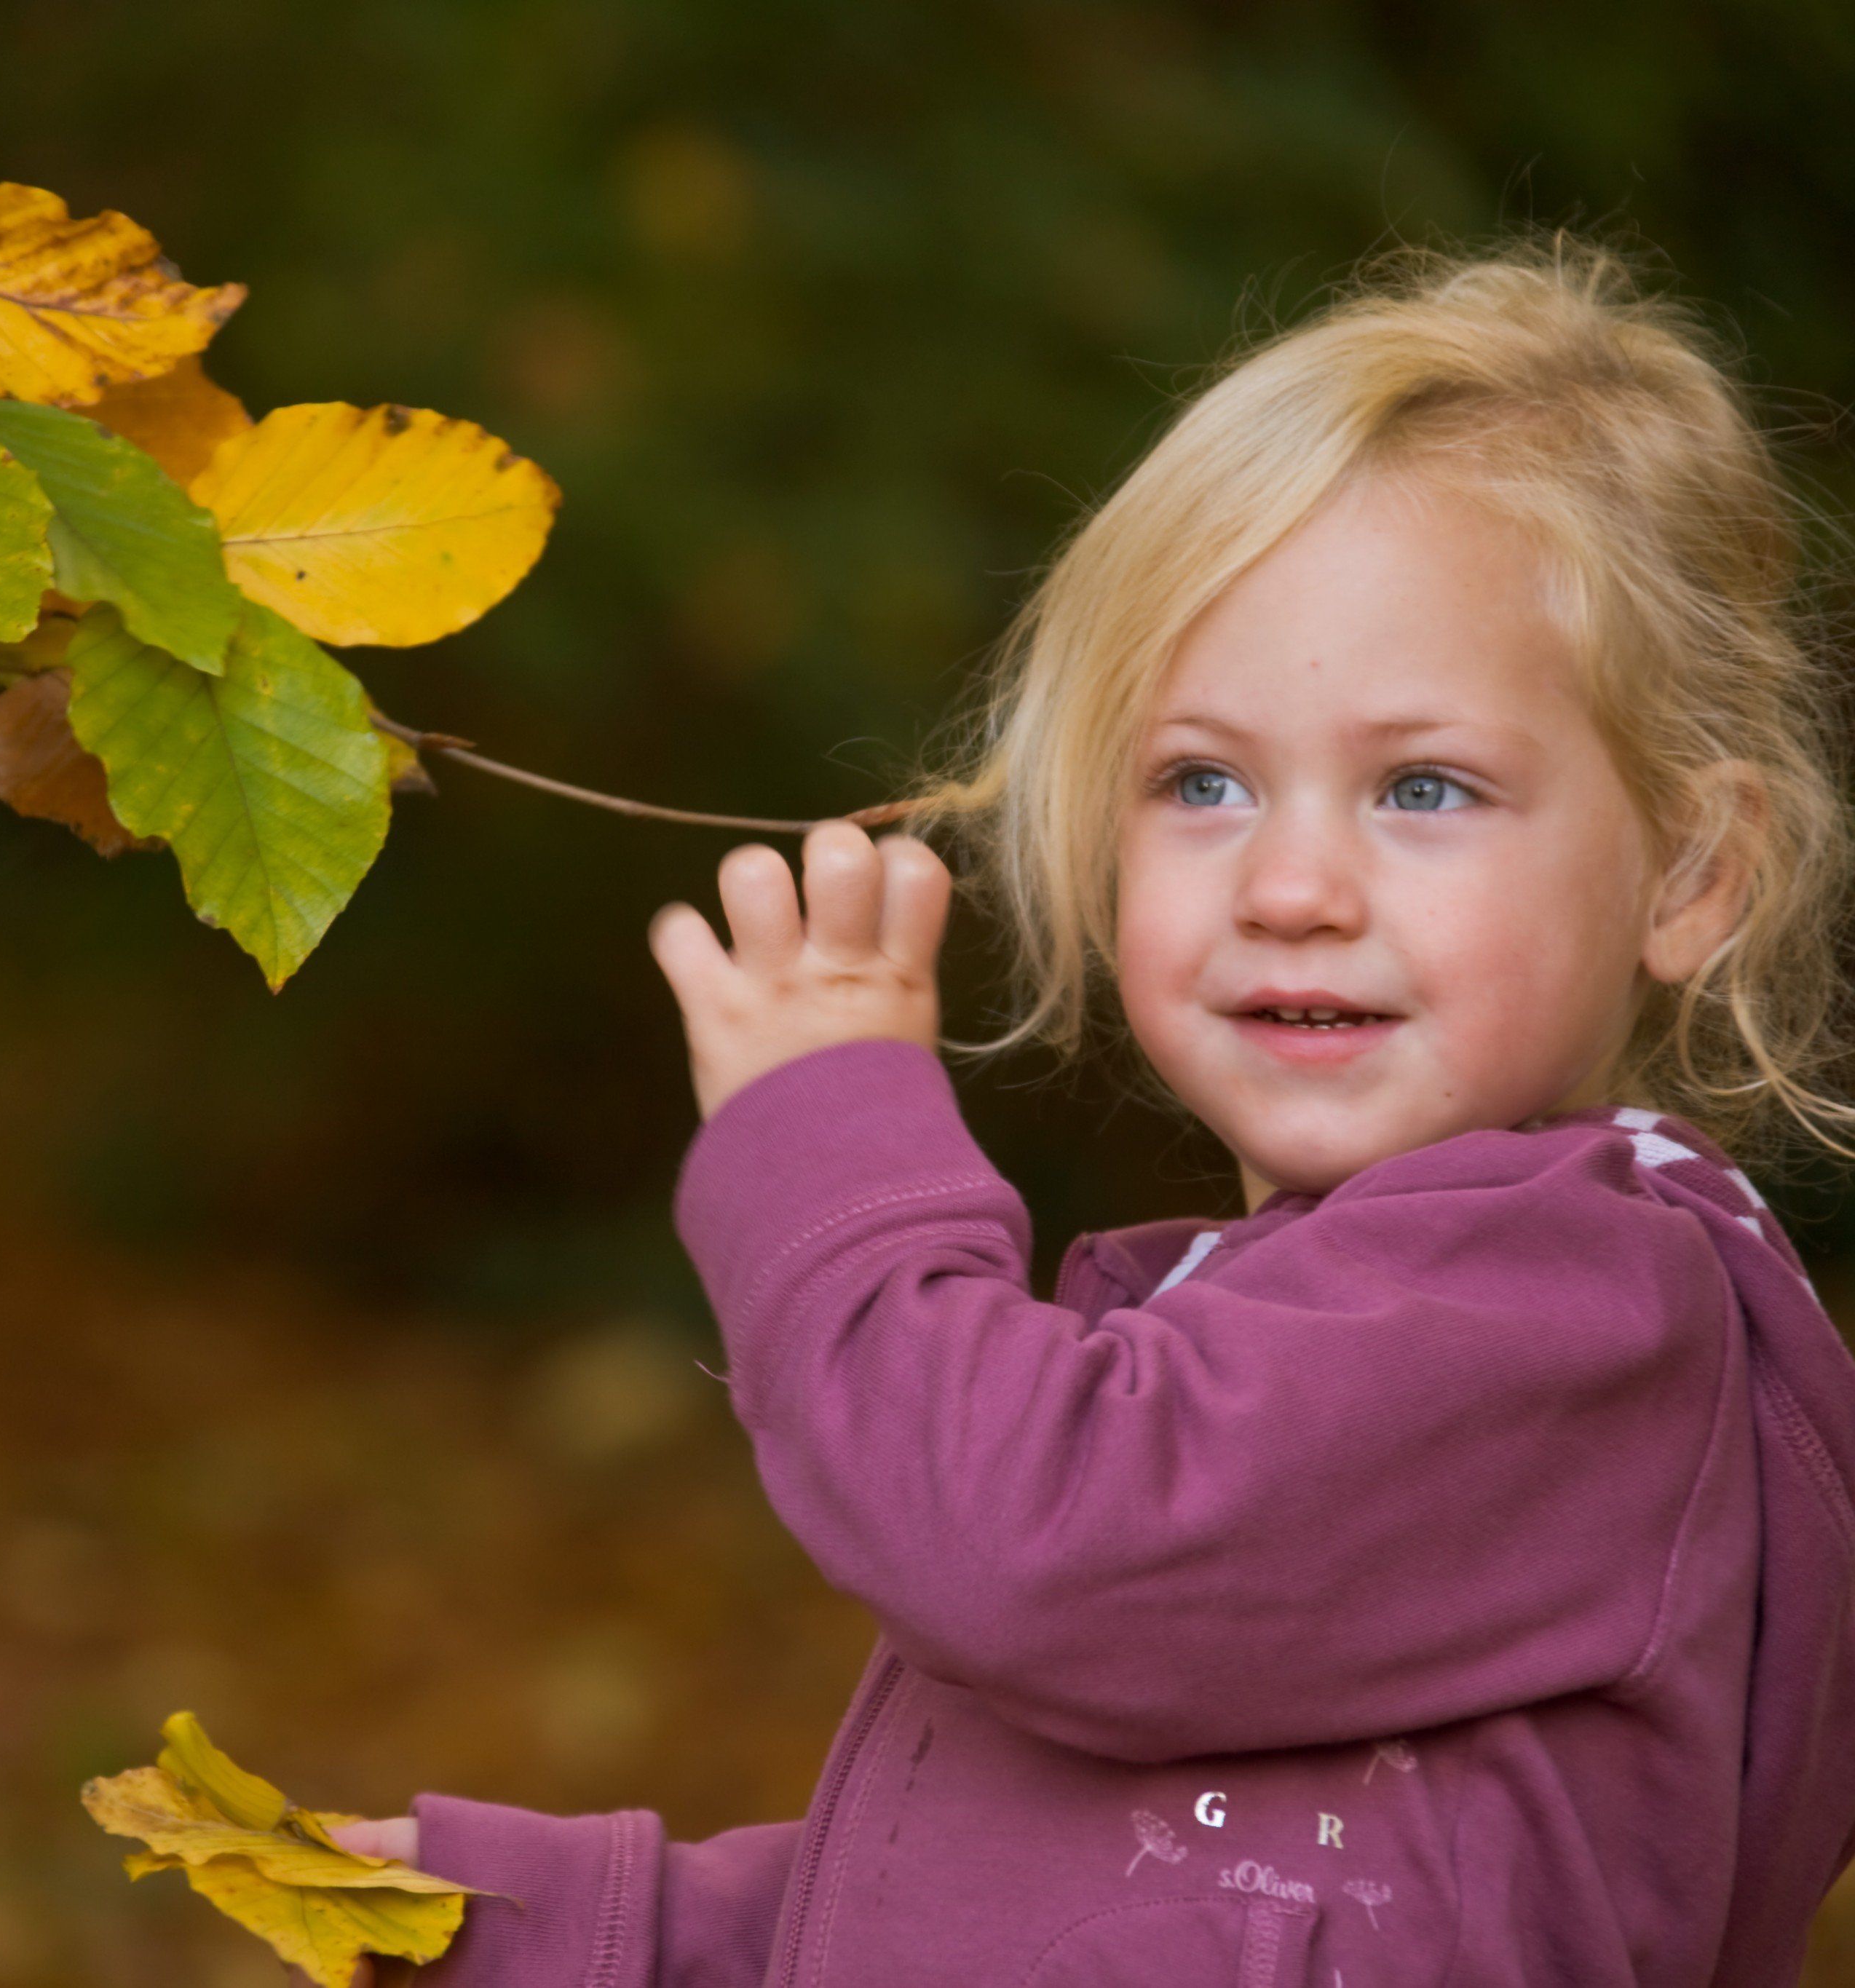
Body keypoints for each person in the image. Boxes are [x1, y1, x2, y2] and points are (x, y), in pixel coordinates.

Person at [328, 237, 1855, 1987]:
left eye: (1421, 787)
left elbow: (1018, 1547)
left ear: (1692, 867)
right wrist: (574, 1926)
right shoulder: (1331, 1343)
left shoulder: (1568, 1315)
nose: (1289, 882)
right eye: (1201, 780)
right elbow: (1056, 1900)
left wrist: (829, 1157)